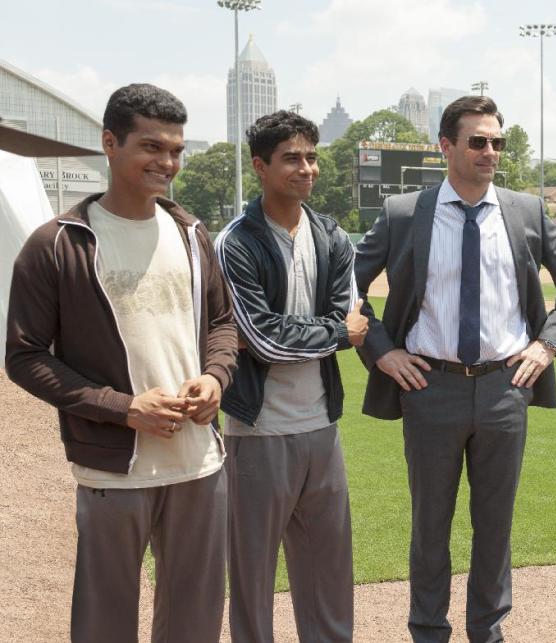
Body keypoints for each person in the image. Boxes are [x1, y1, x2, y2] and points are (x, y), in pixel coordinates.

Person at [353, 95, 556, 642]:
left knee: (495, 527)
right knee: (430, 527)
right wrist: (383, 349)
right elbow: (345, 287)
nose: (490, 152)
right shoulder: (403, 213)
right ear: (446, 147)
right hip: (428, 387)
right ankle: (428, 632)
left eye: (497, 143)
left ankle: (488, 632)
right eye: (477, 141)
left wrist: (548, 345)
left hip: (505, 388)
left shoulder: (525, 211)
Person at [5, 84, 237, 642]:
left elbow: (224, 325)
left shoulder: (191, 233)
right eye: (152, 147)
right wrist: (124, 407)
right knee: (105, 622)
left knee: (195, 622)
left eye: (176, 150)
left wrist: (215, 376)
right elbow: (24, 356)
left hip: (198, 462)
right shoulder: (57, 244)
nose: (168, 163)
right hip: (114, 465)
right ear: (110, 143)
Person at [215, 110, 367, 643]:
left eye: (311, 157)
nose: (306, 168)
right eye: (291, 159)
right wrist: (334, 332)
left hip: (322, 427)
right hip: (257, 431)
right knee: (253, 577)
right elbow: (262, 338)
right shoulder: (236, 242)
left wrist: (330, 329)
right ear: (260, 166)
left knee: (328, 572)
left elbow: (355, 320)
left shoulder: (332, 235)